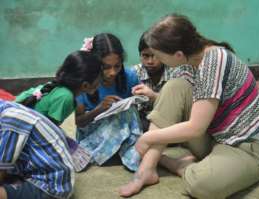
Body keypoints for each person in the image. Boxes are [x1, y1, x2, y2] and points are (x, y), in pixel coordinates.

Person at [119, 14, 259, 198]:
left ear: (178, 54)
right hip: (212, 135)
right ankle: (146, 170)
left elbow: (195, 128)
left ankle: (173, 164)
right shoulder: (189, 60)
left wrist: (147, 138)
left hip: (242, 146)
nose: (156, 60)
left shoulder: (214, 61)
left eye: (159, 56)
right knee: (174, 87)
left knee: (200, 184)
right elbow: (175, 104)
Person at [15, 50, 103, 171]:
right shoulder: (66, 97)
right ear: (85, 85)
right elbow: (48, 131)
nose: (100, 83)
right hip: (21, 130)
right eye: (99, 80)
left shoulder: (59, 88)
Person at [75, 33, 143, 171]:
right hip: (92, 134)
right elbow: (79, 122)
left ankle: (125, 152)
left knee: (130, 112)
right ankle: (123, 155)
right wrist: (99, 109)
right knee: (125, 115)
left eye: (117, 66)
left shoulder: (129, 76)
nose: (112, 72)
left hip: (122, 130)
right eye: (105, 67)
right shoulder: (84, 81)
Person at [0, 99, 74, 199]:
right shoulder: (7, 109)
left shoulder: (11, 118)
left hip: (50, 185)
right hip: (30, 172)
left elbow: (2, 167)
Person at [132, 32, 173, 131]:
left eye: (155, 56)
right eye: (145, 56)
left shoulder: (174, 72)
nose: (150, 61)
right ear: (140, 55)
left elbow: (178, 106)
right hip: (141, 121)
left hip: (169, 118)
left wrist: (153, 96)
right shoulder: (133, 73)